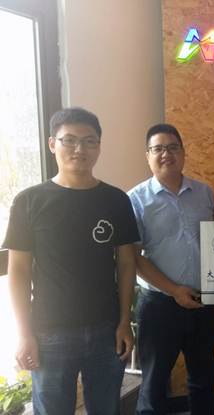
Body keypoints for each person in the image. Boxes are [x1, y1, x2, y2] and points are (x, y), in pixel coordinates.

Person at [3, 107, 138, 414]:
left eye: (89, 141)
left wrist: (124, 322)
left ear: (99, 146)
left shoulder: (116, 200)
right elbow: (19, 271)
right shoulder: (29, 201)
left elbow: (127, 263)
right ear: (53, 144)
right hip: (49, 333)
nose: (80, 149)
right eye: (70, 140)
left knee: (106, 408)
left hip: (106, 330)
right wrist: (24, 333)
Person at [128, 123, 214, 415]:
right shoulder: (135, 199)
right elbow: (134, 258)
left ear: (183, 152)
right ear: (147, 155)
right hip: (159, 306)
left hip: (204, 301)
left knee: (203, 379)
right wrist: (174, 290)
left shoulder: (204, 193)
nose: (166, 154)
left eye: (172, 147)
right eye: (158, 149)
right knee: (154, 385)